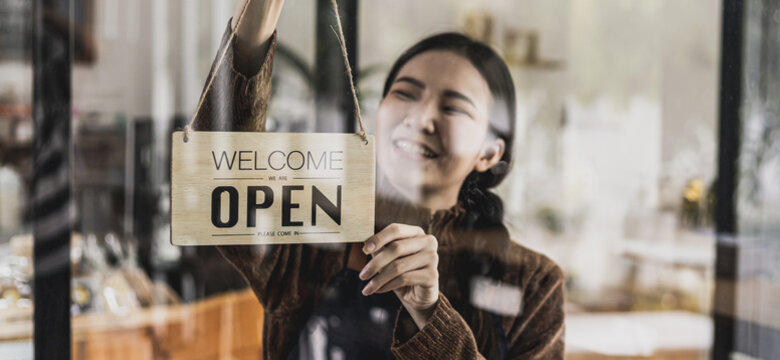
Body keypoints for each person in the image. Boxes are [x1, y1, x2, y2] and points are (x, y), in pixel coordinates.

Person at [189, 1, 565, 359]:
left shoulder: (533, 283)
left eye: (453, 107)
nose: (420, 118)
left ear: (490, 153)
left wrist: (429, 312)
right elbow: (219, 165)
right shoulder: (312, 224)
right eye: (405, 93)